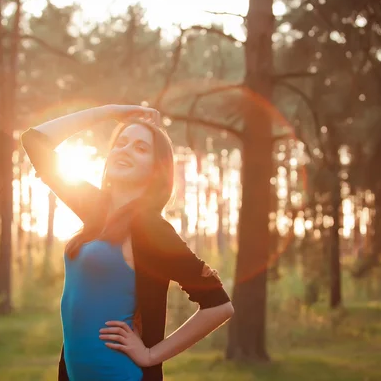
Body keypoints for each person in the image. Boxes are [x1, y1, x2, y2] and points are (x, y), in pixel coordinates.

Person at [20, 104, 234, 381]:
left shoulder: (152, 230)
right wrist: (111, 111)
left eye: (140, 148)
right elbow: (35, 142)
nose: (126, 150)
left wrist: (151, 355)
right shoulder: (95, 209)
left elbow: (219, 305)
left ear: (156, 170)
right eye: (121, 143)